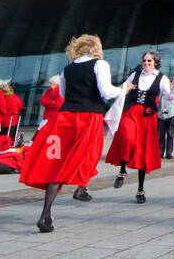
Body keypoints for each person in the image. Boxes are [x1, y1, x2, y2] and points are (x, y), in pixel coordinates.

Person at [19, 34, 134, 232]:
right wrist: (124, 88)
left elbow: (63, 95)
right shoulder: (100, 65)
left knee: (57, 163)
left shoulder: (67, 69)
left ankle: (47, 213)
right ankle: (80, 188)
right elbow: (106, 92)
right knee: (86, 156)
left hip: (64, 118)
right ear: (95, 48)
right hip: (88, 117)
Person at [105, 50, 174, 204]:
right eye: (144, 60)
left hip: (147, 116)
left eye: (149, 61)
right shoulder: (136, 74)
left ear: (155, 63)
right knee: (126, 136)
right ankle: (122, 170)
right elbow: (124, 88)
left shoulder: (161, 78)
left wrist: (172, 89)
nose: (146, 63)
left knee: (142, 152)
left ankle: (140, 189)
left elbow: (168, 95)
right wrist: (123, 88)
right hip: (131, 112)